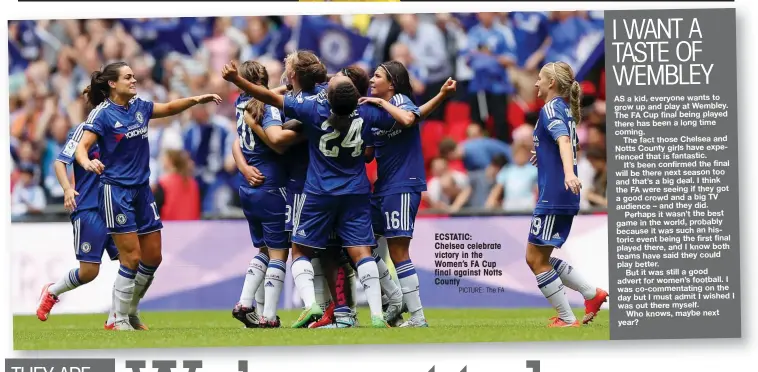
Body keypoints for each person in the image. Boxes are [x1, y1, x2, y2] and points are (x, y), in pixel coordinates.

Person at [223, 60, 398, 328]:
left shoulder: (311, 108)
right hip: (353, 189)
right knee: (356, 251)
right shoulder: (367, 112)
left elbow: (277, 138)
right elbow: (377, 145)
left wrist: (239, 86)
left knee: (301, 250)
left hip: (312, 188)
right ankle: (371, 311)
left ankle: (320, 308)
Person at [75, 61, 222, 331]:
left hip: (143, 190)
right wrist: (87, 163)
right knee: (130, 258)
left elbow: (167, 108)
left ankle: (129, 311)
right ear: (112, 83)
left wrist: (196, 99)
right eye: (128, 77)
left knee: (153, 257)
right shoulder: (102, 114)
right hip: (116, 191)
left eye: (134, 76)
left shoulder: (140, 107)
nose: (134, 80)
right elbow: (81, 148)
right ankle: (117, 320)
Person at [355, 60, 457, 328]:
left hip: (403, 185)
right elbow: (366, 154)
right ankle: (395, 295)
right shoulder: (370, 112)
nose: (372, 79)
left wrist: (380, 104)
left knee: (399, 251)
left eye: (378, 76)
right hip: (382, 187)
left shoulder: (398, 100)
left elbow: (410, 118)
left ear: (392, 83)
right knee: (360, 244)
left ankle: (418, 318)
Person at [528, 61, 607, 328]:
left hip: (554, 194)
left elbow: (563, 141)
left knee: (534, 260)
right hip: (562, 195)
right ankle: (591, 294)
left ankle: (566, 318)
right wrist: (542, 154)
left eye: (540, 78)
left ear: (552, 83)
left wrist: (569, 174)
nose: (536, 83)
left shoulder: (550, 108)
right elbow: (560, 142)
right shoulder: (563, 109)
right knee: (541, 257)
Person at [36, 117, 119, 324]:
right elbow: (60, 162)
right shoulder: (82, 130)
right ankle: (53, 291)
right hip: (89, 207)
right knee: (89, 272)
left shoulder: (123, 127)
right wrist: (67, 189)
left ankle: (117, 318)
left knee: (132, 261)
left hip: (116, 206)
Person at [231, 60, 291, 328]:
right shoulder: (268, 109)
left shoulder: (241, 104)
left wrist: (243, 166)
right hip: (271, 184)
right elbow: (278, 144)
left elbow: (236, 141)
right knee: (279, 253)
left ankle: (245, 303)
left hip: (249, 188)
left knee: (264, 250)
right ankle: (268, 315)